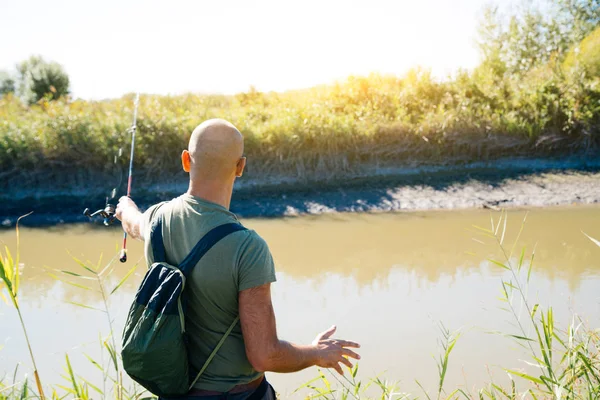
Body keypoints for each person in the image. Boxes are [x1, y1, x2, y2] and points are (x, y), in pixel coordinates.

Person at [116, 119, 360, 399]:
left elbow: (134, 224)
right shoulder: (248, 248)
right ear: (240, 167)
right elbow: (264, 356)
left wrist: (125, 209)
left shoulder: (157, 219)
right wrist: (316, 353)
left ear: (185, 160)